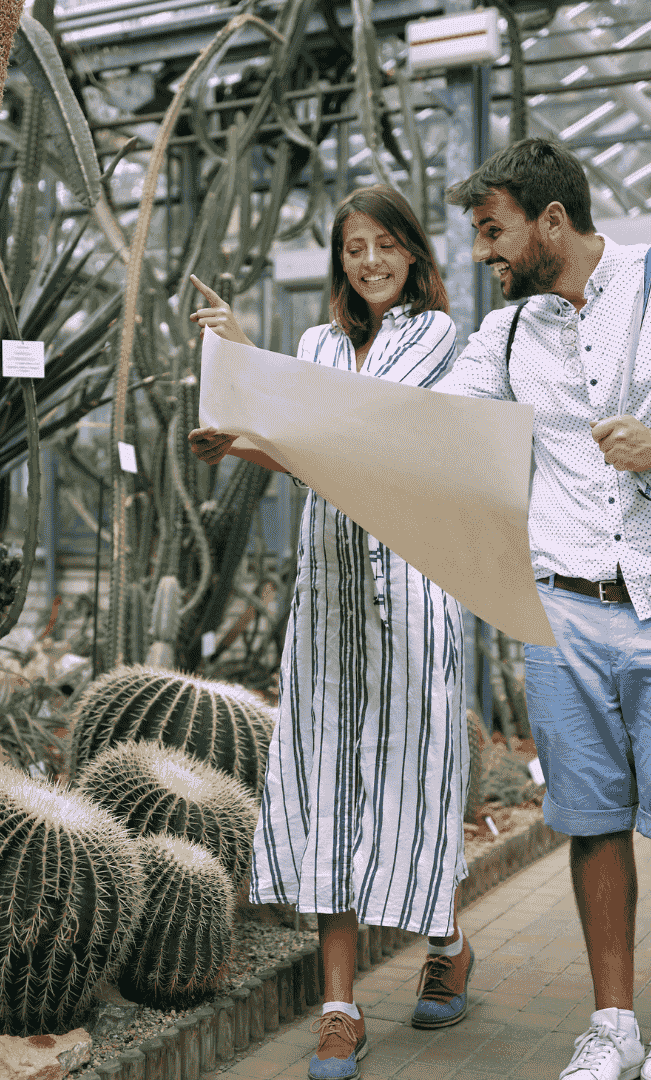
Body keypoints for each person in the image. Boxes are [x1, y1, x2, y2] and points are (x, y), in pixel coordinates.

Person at [435, 137, 651, 1080]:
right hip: (563, 605)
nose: (484, 253)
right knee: (592, 817)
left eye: (494, 232)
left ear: (551, 221)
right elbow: (421, 418)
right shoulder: (510, 333)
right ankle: (612, 1024)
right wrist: (269, 414)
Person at [188, 185, 475, 1080]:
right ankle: (341, 1006)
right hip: (329, 601)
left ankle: (448, 944)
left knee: (414, 778)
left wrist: (256, 406)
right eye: (355, 247)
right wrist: (239, 399)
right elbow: (305, 432)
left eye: (386, 244)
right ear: (339, 260)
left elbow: (357, 435)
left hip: (415, 592)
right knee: (327, 781)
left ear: (415, 253)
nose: (371, 262)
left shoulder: (437, 337)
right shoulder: (314, 346)